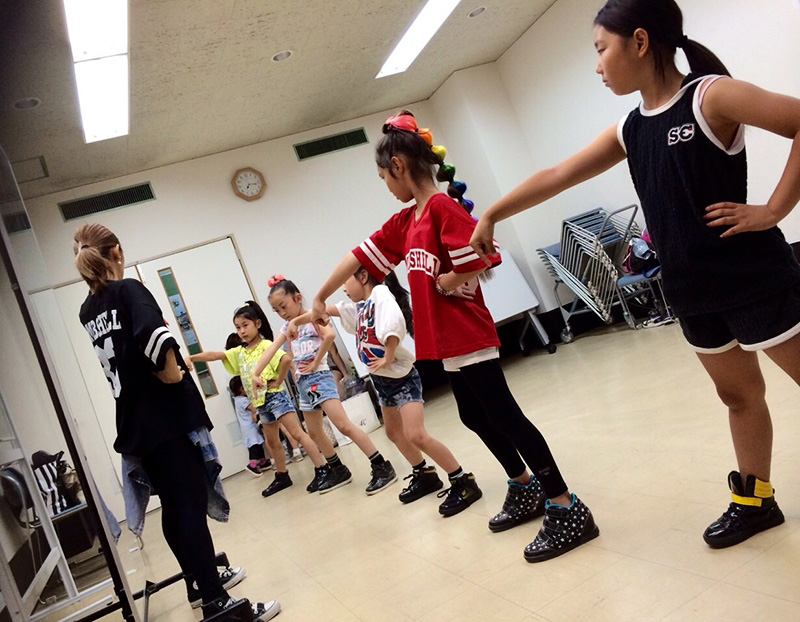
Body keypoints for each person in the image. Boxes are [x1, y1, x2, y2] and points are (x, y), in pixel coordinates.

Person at [471, 0, 800, 549]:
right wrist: (492, 213)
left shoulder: (710, 96)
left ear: (640, 42)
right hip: (691, 291)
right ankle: (755, 501)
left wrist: (773, 209)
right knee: (738, 397)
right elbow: (558, 174)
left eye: (601, 49)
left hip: (753, 278)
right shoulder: (630, 128)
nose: (597, 65)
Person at [309, 111, 597, 562]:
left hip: (466, 333)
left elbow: (485, 255)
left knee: (505, 417)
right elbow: (359, 255)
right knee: (475, 416)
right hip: (444, 340)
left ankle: (564, 504)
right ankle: (523, 484)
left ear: (399, 166)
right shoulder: (407, 220)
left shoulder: (442, 208)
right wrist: (320, 296)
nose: (386, 186)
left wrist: (448, 281)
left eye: (384, 177)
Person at [73, 223, 280, 620]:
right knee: (189, 505)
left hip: (135, 422)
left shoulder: (89, 309)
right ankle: (217, 603)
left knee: (173, 505)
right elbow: (157, 341)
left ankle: (198, 582)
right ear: (116, 251)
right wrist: (173, 373)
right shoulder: (128, 290)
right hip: (164, 418)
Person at [292, 267, 475, 509]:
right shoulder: (360, 308)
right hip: (382, 381)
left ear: (363, 277)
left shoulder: (380, 295)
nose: (343, 288)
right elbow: (324, 310)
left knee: (416, 434)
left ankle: (462, 480)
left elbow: (393, 322)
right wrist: (295, 321)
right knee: (394, 432)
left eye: (346, 282)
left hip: (403, 379)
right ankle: (424, 474)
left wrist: (388, 354)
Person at [252, 275, 397, 495]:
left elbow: (329, 335)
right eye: (276, 310)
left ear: (297, 298)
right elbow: (271, 349)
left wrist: (317, 361)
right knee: (313, 431)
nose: (282, 313)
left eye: (284, 306)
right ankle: (337, 469)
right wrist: (255, 373)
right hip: (303, 384)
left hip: (319, 379)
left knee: (343, 425)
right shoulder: (287, 327)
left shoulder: (313, 317)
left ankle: (381, 466)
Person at [188, 301, 327, 497]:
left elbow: (286, 359)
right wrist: (192, 358)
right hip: (260, 402)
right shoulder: (240, 352)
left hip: (275, 397)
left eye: (245, 325)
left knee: (297, 433)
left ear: (258, 324)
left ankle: (321, 468)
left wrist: (278, 380)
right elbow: (215, 355)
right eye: (238, 327)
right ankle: (282, 475)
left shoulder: (266, 345)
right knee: (272, 441)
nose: (242, 331)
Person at [228, 375, 272, 476]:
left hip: (250, 427)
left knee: (258, 443)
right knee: (254, 446)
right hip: (249, 427)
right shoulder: (242, 400)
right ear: (242, 389)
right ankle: (252, 465)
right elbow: (253, 407)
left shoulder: (238, 399)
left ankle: (262, 462)